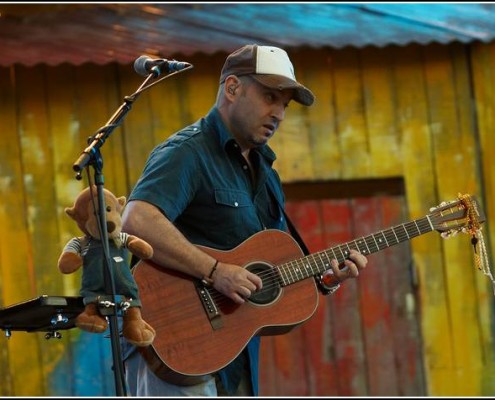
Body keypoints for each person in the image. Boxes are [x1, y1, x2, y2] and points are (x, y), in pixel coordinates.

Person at [121, 43, 368, 396]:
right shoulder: (187, 152)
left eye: (285, 104)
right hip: (174, 345)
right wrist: (215, 270)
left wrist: (324, 278)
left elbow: (273, 265)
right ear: (233, 88)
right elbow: (137, 218)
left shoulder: (266, 174)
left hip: (233, 354)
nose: (279, 113)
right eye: (270, 97)